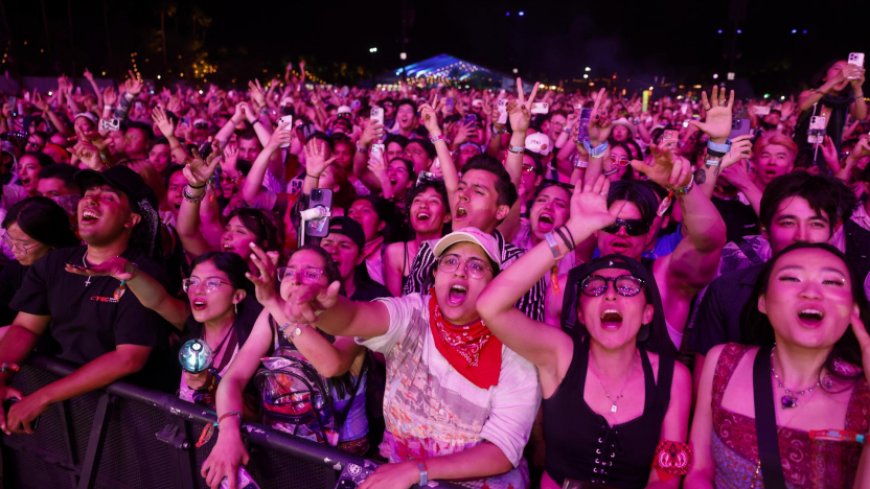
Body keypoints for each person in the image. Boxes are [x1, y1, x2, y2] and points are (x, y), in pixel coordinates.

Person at [278, 228, 540, 489]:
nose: (460, 271)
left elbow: (502, 452)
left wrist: (417, 471)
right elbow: (356, 318)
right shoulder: (412, 313)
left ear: (495, 285)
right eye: (450, 261)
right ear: (435, 274)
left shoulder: (515, 345)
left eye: (476, 266)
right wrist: (323, 311)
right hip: (399, 477)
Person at [478, 176, 690, 489]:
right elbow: (491, 306)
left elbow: (667, 476)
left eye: (628, 287)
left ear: (648, 314)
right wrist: (573, 232)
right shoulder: (559, 355)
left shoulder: (674, 378)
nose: (611, 294)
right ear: (579, 312)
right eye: (596, 287)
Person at [0, 165, 174, 434]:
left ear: (132, 219)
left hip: (122, 423)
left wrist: (43, 396)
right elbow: (24, 327)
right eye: (88, 192)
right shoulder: (54, 263)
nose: (90, 199)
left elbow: (128, 358)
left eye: (108, 196)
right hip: (63, 414)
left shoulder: (144, 274)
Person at [685, 242, 870, 488]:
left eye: (832, 282)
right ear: (763, 302)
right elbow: (698, 471)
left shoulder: (865, 394)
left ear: (853, 309)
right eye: (792, 278)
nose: (811, 292)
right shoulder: (722, 361)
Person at [201, 244, 370, 488]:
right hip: (282, 451)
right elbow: (233, 379)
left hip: (340, 463)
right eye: (289, 273)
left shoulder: (352, 317)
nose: (297, 281)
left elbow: (331, 365)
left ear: (332, 287)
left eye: (311, 273)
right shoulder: (271, 316)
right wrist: (227, 432)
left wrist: (274, 303)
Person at [691, 172, 856, 382]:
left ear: (833, 230)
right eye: (788, 223)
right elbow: (705, 383)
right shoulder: (727, 291)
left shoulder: (849, 293)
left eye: (816, 224)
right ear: (765, 229)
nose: (802, 236)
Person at [64, 251, 261, 409]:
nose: (198, 290)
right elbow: (157, 300)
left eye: (212, 283)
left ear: (238, 296)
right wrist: (129, 271)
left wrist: (210, 385)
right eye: (192, 281)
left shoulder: (255, 341)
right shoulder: (191, 326)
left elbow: (256, 417)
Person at [0, 197, 79, 324]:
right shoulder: (14, 270)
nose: (14, 249)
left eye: (24, 244)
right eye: (9, 240)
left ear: (51, 241)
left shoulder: (69, 276)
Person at [383, 180, 451, 296]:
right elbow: (395, 305)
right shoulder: (395, 252)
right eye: (417, 200)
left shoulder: (453, 252)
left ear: (447, 217)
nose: (423, 205)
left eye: (433, 201)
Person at [320, 216, 391, 301]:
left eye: (344, 246)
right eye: (327, 244)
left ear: (359, 257)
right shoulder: (309, 295)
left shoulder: (378, 298)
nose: (333, 250)